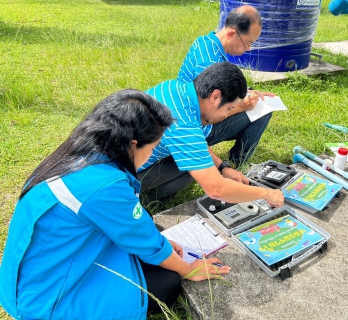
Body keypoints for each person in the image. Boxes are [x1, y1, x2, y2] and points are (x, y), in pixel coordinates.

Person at [0, 90, 230, 320]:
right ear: (132, 144)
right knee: (167, 281)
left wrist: (160, 243)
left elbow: (137, 229)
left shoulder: (75, 156)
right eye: (152, 148)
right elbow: (146, 243)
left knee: (156, 237)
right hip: (46, 300)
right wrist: (190, 269)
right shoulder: (105, 186)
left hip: (36, 274)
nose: (151, 155)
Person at [138, 62, 284, 208]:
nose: (226, 114)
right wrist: (267, 194)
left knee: (200, 162)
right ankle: (142, 199)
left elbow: (197, 143)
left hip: (125, 157)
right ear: (215, 96)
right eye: (228, 108)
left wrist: (223, 168)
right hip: (122, 177)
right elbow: (216, 189)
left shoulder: (174, 88)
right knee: (197, 169)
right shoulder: (182, 123)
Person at [177, 4, 275, 167]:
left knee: (257, 101)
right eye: (247, 43)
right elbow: (206, 115)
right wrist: (240, 107)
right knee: (264, 109)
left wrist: (249, 92)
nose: (248, 49)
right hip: (197, 128)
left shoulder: (206, 42)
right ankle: (239, 162)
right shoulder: (209, 62)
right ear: (231, 33)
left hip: (187, 117)